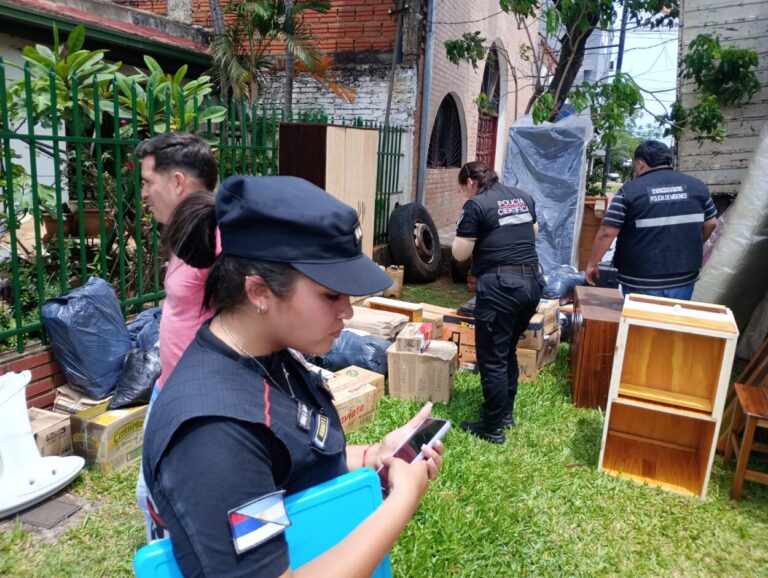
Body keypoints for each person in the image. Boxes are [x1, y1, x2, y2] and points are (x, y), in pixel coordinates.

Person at [142, 175, 445, 577]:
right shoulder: (214, 433)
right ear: (259, 292)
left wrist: (373, 456)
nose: (348, 312)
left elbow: (289, 468)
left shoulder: (270, 354)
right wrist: (401, 503)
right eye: (330, 295)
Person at [133, 131, 219, 540]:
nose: (145, 194)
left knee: (172, 505)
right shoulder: (189, 231)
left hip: (199, 405)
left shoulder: (216, 232)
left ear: (178, 181)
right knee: (150, 496)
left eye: (148, 182)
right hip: (169, 390)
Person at [452, 161, 543, 444]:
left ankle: (492, 427)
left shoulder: (476, 205)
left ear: (470, 183)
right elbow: (534, 233)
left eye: (462, 189)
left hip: (501, 287)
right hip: (532, 284)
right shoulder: (523, 197)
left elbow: (459, 253)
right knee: (507, 350)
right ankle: (505, 413)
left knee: (492, 357)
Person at [586, 140, 717, 299]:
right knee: (673, 322)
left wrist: (593, 263)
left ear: (640, 164)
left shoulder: (629, 192)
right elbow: (711, 223)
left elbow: (607, 232)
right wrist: (690, 244)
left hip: (641, 279)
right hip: (683, 277)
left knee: (641, 323)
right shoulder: (697, 187)